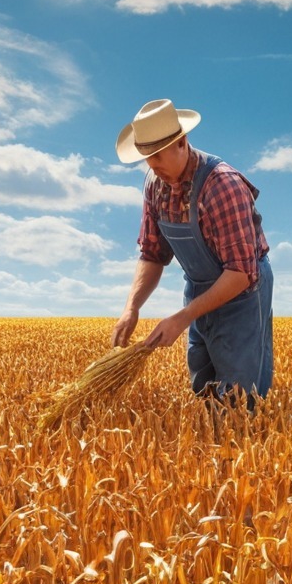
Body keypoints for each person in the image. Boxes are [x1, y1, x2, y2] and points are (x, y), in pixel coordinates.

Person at [112, 98, 274, 408]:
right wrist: (131, 307)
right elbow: (152, 253)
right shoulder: (155, 185)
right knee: (202, 384)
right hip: (200, 285)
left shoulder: (222, 185)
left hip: (242, 290)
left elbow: (240, 272)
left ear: (182, 143)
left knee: (239, 395)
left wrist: (183, 317)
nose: (152, 165)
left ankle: (242, 448)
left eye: (158, 155)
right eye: (147, 157)